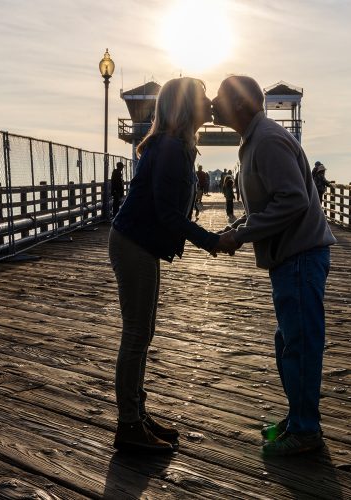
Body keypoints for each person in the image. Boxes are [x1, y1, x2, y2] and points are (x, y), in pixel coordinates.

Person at [109, 77, 234, 453]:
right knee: (135, 335)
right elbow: (166, 213)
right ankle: (128, 424)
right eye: (202, 97)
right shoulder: (169, 148)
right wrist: (212, 240)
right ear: (183, 107)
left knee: (143, 332)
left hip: (140, 242)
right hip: (134, 243)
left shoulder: (175, 146)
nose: (210, 101)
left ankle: (138, 414)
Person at [212, 76, 336, 456]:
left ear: (240, 104)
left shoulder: (265, 140)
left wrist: (240, 235)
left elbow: (294, 200)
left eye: (220, 97)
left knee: (299, 343)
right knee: (288, 341)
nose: (212, 103)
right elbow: (268, 205)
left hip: (299, 255)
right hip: (290, 257)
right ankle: (299, 416)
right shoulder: (254, 140)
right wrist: (235, 230)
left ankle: (305, 430)